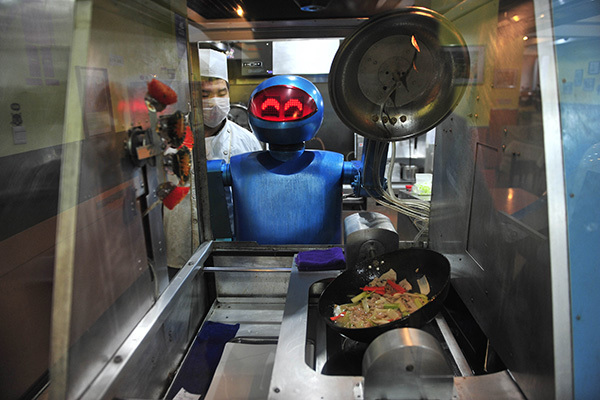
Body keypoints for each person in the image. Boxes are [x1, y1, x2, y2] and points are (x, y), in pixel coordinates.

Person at [164, 47, 261, 279]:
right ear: (191, 97)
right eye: (205, 94)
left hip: (232, 250)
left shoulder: (247, 142)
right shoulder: (168, 143)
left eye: (221, 92)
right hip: (179, 250)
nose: (215, 102)